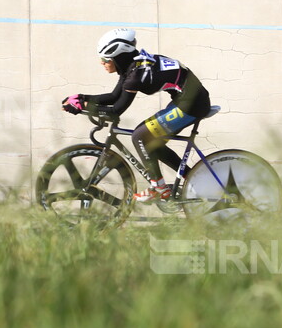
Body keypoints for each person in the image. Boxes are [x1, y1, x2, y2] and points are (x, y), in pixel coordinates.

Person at [61, 28, 212, 204]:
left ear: (118, 57)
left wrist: (82, 107)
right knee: (151, 142)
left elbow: (116, 109)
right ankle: (193, 178)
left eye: (104, 59)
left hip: (191, 105)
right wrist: (81, 98)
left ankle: (158, 188)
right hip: (188, 99)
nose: (101, 63)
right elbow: (113, 96)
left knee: (140, 136)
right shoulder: (133, 64)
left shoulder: (136, 75)